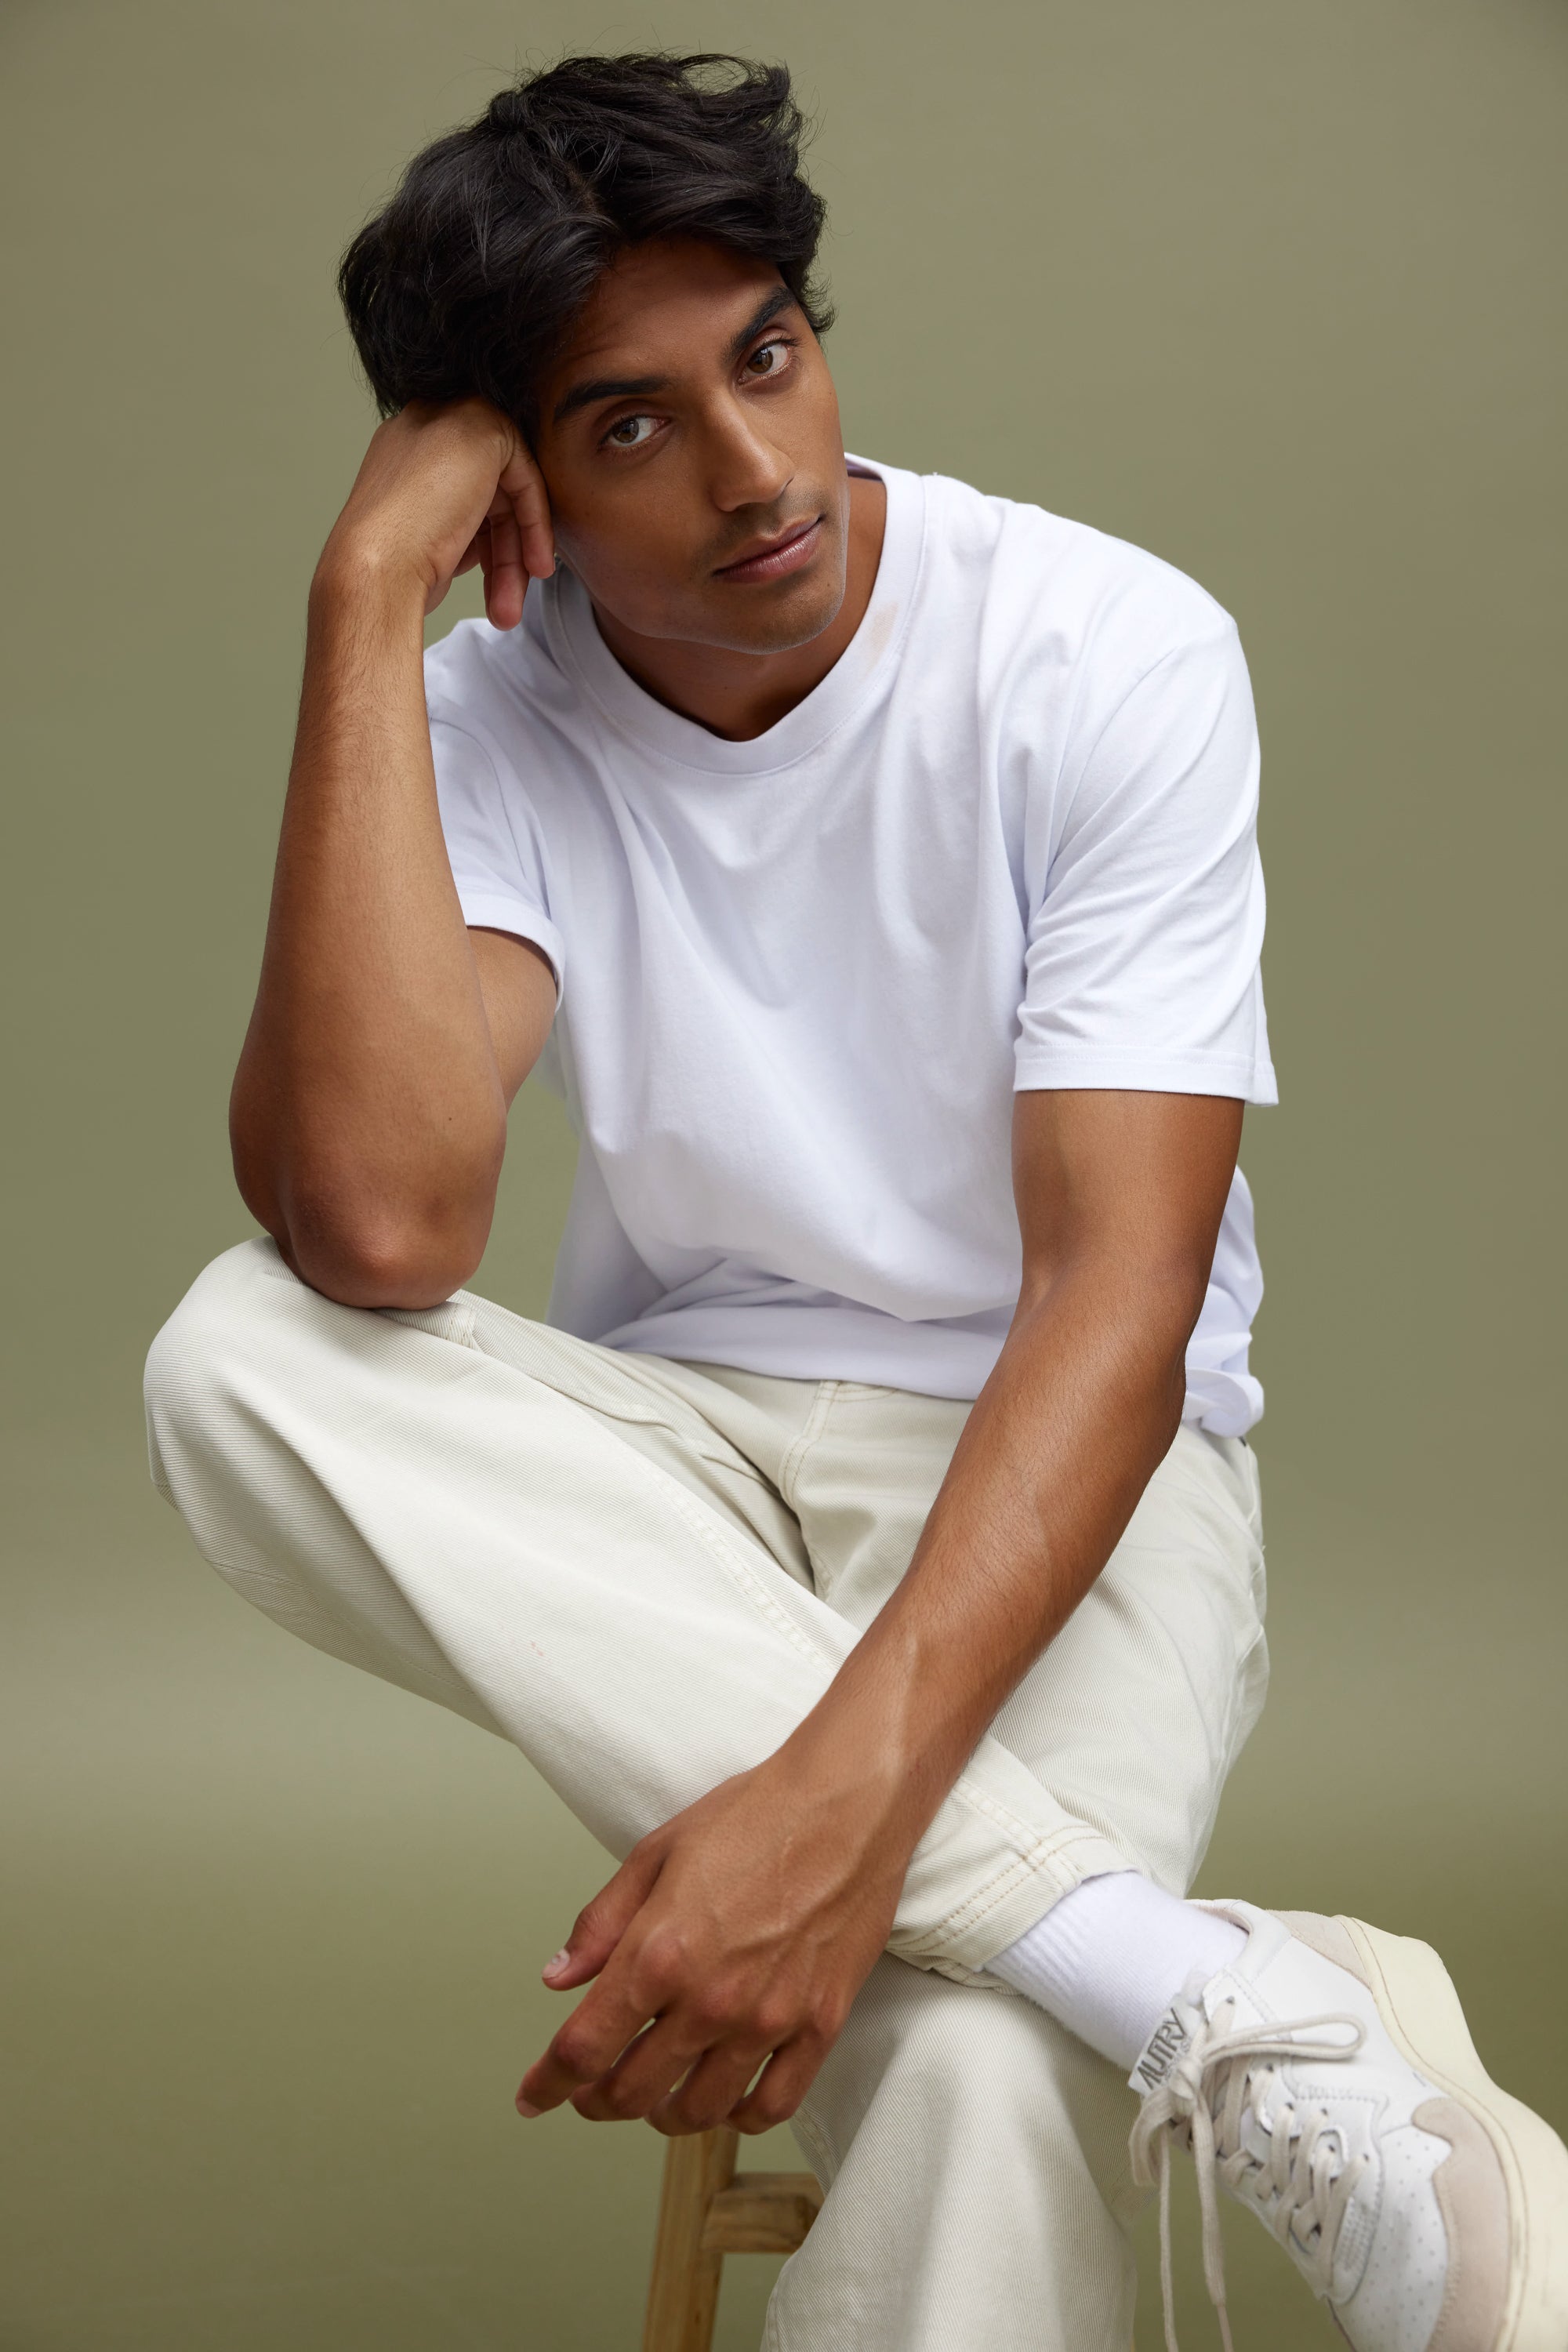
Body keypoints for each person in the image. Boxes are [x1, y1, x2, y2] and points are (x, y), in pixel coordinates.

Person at [142, 52, 1566, 2352]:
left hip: (1066, 1472)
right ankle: (1200, 1994)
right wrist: (359, 610)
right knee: (237, 1355)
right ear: (511, 483)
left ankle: (1103, 1977)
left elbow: (1120, 1295)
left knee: (983, 2071)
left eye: (770, 357)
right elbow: (377, 1230)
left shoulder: (1104, 651)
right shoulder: (485, 712)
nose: (756, 471)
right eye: (629, 425)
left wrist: (834, 1820)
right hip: (687, 1487)